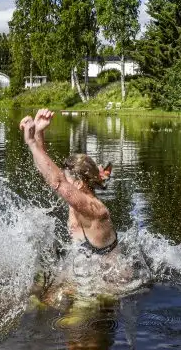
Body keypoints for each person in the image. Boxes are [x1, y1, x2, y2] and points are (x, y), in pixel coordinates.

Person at [19, 109, 117, 255]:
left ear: (78, 184)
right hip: (86, 269)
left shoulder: (94, 209)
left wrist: (31, 142)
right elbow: (46, 171)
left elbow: (57, 181)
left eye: (67, 179)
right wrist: (39, 131)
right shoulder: (78, 200)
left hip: (109, 276)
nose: (63, 181)